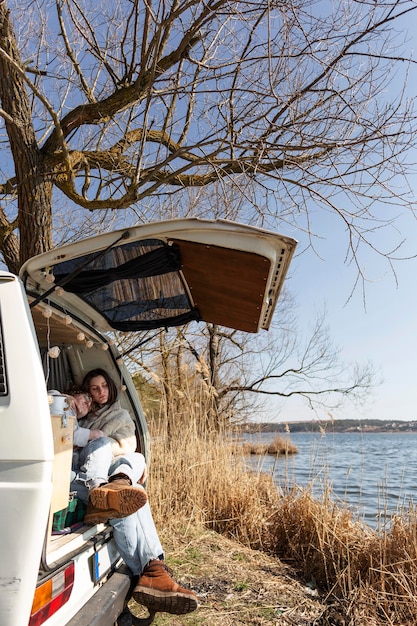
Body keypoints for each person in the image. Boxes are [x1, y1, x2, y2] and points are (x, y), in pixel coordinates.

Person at [78, 368, 198, 616]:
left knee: (134, 467)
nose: (101, 392)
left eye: (104, 386)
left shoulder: (120, 415)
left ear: (111, 387)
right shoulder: (80, 418)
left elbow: (127, 444)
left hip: (115, 470)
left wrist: (115, 461)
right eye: (94, 388)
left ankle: (153, 570)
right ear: (87, 392)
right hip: (88, 474)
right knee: (118, 475)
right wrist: (94, 437)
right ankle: (150, 572)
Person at [65, 387, 148, 522]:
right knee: (102, 442)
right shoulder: (60, 402)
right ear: (73, 392)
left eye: (91, 404)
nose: (88, 403)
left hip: (89, 475)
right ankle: (99, 492)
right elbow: (64, 434)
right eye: (87, 396)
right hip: (71, 476)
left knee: (138, 458)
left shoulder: (80, 421)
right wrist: (93, 435)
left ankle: (116, 485)